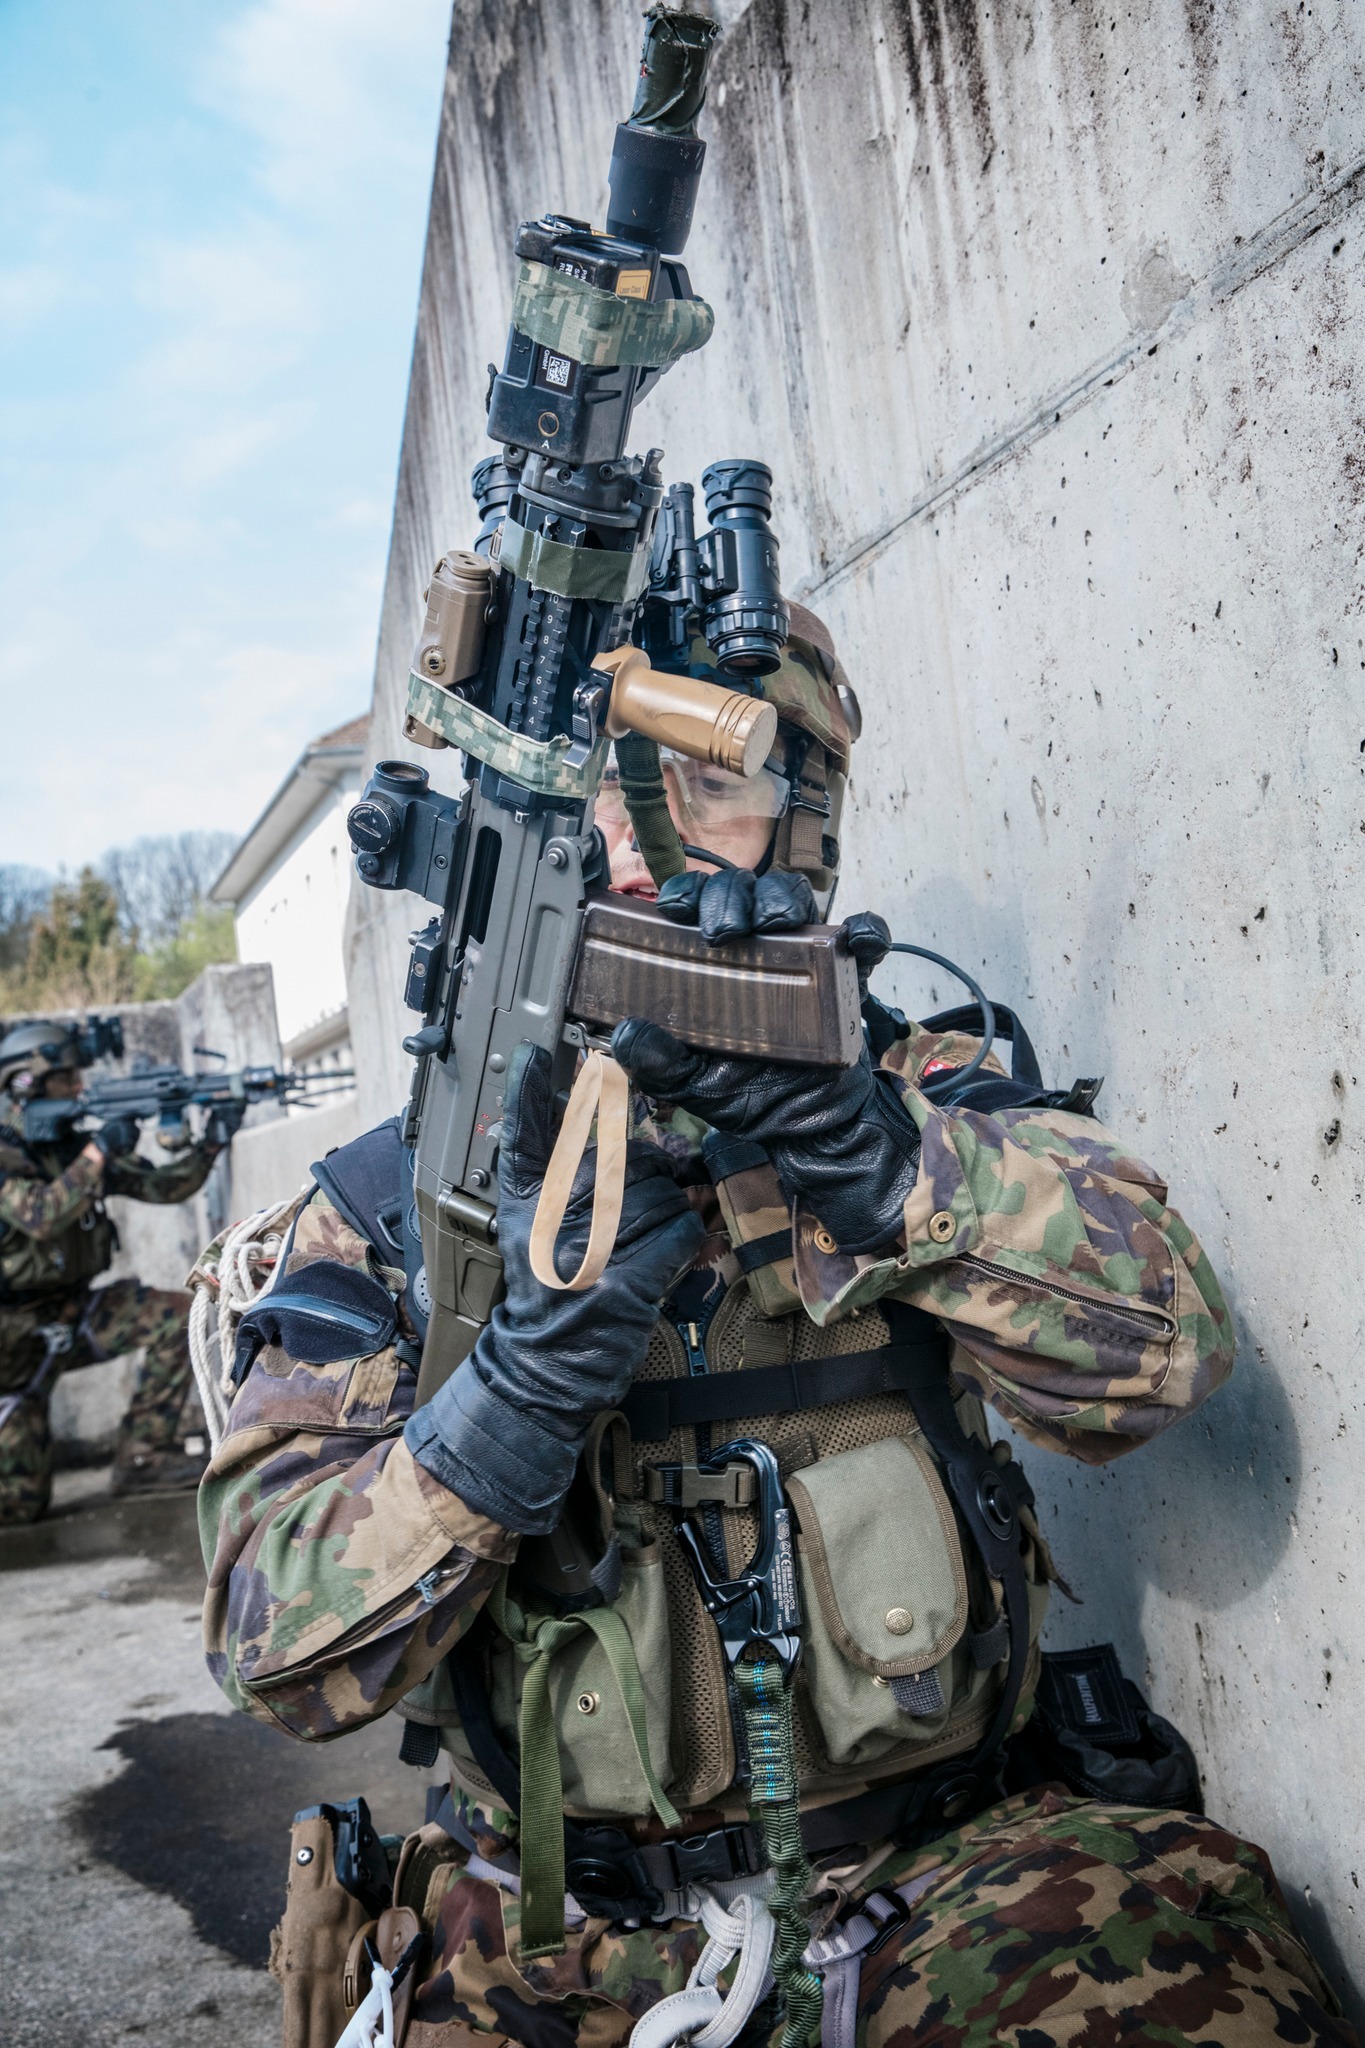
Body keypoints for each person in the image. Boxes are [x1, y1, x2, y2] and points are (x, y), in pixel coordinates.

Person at [198, 615, 1352, 2048]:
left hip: (949, 1874)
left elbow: (1169, 1352)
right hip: (553, 1934)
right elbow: (273, 1647)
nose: (638, 849)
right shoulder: (405, 1201)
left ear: (806, 828)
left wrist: (884, 1167)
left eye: (704, 784)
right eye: (589, 798)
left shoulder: (921, 1092)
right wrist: (510, 1398)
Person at [0, 1017, 236, 1522]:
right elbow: (39, 1215)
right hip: (11, 1340)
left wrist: (213, 1140)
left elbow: (165, 1187)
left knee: (178, 1317)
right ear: (24, 1083)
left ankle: (142, 1458)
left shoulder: (70, 1149)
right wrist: (99, 1150)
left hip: (72, 1313)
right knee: (21, 1505)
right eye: (66, 1078)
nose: (78, 1087)